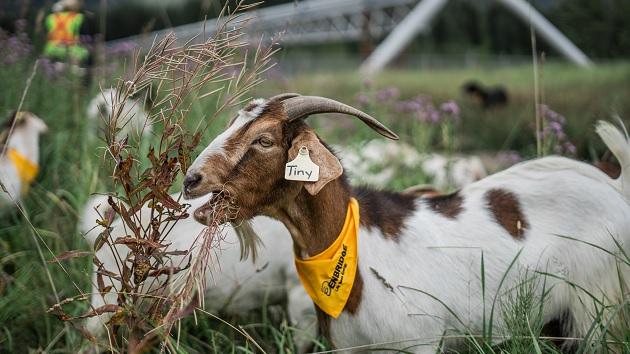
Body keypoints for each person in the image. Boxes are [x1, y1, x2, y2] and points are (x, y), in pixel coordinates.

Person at [43, 0, 89, 65]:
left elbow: (46, 35)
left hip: (51, 50)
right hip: (72, 51)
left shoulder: (50, 17)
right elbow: (85, 38)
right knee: (86, 53)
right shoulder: (79, 18)